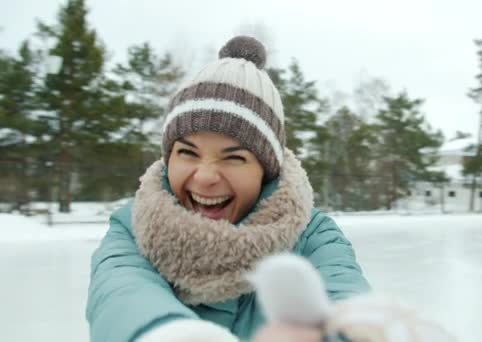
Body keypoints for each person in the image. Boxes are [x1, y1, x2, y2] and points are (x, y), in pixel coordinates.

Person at [85, 36, 370, 342]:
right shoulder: (132, 228)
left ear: (266, 169)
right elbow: (121, 294)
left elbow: (345, 298)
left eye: (234, 157)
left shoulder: (313, 235)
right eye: (188, 152)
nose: (205, 177)